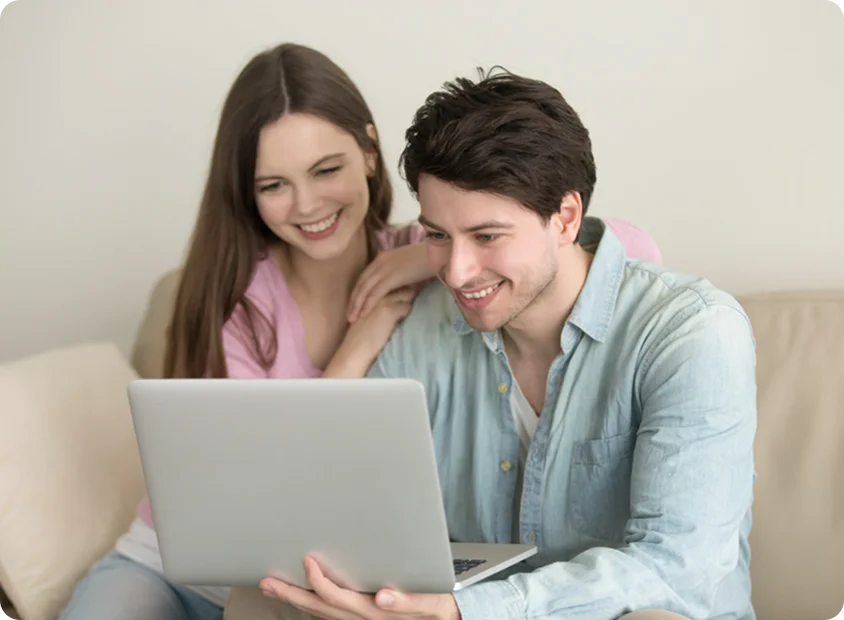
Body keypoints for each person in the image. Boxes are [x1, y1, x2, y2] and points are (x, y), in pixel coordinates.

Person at [243, 70, 757, 620]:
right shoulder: (424, 327)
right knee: (262, 601)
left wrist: (464, 610)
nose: (458, 272)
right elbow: (323, 492)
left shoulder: (691, 334)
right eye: (437, 236)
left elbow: (674, 569)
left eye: (487, 236)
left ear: (565, 218)